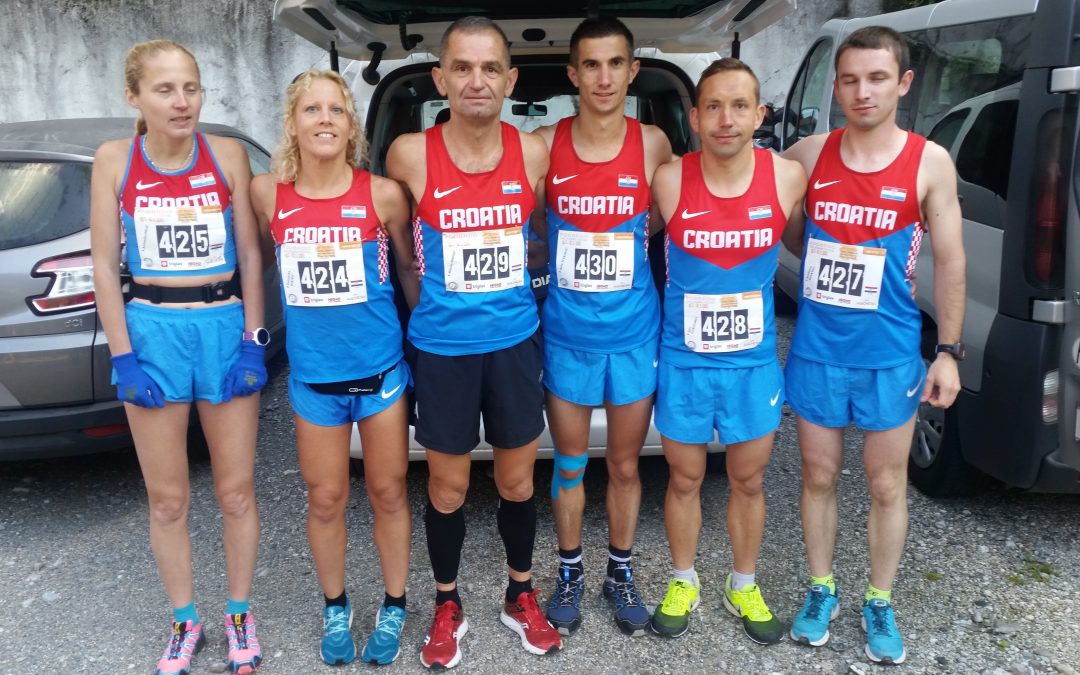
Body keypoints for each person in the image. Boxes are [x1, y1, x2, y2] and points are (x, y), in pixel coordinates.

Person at [781, 26, 965, 665]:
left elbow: (951, 260)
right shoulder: (808, 155)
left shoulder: (930, 162)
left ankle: (879, 600)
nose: (864, 91)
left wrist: (949, 351)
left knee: (887, 483)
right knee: (818, 475)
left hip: (889, 355)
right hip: (817, 350)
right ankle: (821, 588)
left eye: (878, 78)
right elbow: (785, 227)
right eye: (851, 80)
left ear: (903, 83)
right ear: (836, 87)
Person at [385, 16, 562, 669]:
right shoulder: (409, 154)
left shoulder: (532, 152)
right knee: (447, 488)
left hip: (514, 342)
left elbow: (545, 231)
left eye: (490, 68)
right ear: (441, 78)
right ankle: (447, 602)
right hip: (442, 349)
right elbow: (400, 249)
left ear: (510, 80)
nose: (476, 80)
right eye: (462, 67)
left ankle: (520, 593)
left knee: (516, 481)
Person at [89, 40, 267, 675]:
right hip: (152, 332)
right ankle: (185, 621)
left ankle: (239, 613)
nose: (182, 101)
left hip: (222, 328)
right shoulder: (115, 160)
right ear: (134, 95)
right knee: (167, 500)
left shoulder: (227, 156)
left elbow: (252, 255)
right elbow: (103, 267)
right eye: (165, 89)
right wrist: (123, 358)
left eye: (190, 87)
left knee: (235, 492)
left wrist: (253, 341)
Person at [250, 70, 418, 667]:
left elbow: (408, 270)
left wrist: (425, 344)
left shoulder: (383, 195)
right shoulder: (268, 194)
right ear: (292, 123)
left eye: (336, 110)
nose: (324, 119)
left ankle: (394, 604)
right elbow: (259, 264)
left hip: (380, 373)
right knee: (325, 498)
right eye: (311, 109)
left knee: (388, 492)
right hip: (313, 380)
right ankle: (335, 606)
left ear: (351, 128)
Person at [649, 58, 806, 644]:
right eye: (713, 106)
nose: (726, 119)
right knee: (684, 478)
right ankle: (683, 580)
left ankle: (743, 584)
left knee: (748, 480)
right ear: (694, 117)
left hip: (752, 364)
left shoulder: (788, 176)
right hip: (685, 360)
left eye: (739, 106)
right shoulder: (669, 179)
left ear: (759, 114)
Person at [531, 16, 672, 638]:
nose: (604, 77)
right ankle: (569, 572)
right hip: (568, 336)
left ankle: (620, 570)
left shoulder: (653, 144)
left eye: (616, 63)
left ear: (633, 70)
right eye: (591, 64)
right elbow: (528, 218)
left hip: (634, 334)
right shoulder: (545, 144)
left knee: (624, 466)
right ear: (573, 73)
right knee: (567, 465)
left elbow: (667, 214)